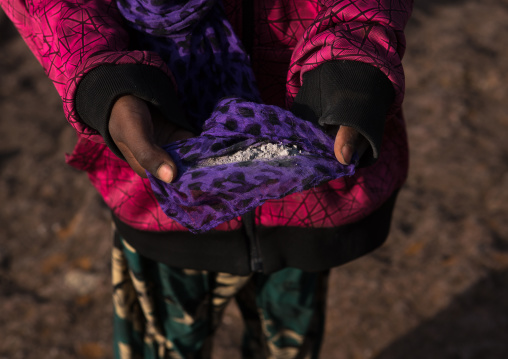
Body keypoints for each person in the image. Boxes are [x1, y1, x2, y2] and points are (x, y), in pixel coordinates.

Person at [0, 0, 413, 357]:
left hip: (311, 192)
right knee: (167, 344)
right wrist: (103, 83)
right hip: (161, 204)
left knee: (289, 343)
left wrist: (355, 57)